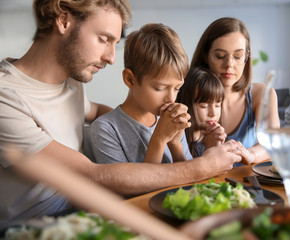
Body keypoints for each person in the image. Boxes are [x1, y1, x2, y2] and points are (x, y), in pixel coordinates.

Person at [0, 1, 242, 231]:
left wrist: (135, 121)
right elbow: (91, 174)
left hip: (80, 213)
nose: (111, 57)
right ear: (63, 20)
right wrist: (201, 167)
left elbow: (94, 111)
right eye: (103, 39)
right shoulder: (6, 98)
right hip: (34, 226)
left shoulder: (71, 82)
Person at [85, 23, 192, 164]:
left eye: (177, 88)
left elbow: (190, 179)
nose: (171, 99)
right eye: (159, 88)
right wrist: (159, 140)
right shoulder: (105, 130)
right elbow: (131, 185)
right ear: (130, 79)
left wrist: (175, 144)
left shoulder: (171, 120)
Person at [191, 17, 280, 166]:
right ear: (206, 55)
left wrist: (249, 154)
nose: (229, 65)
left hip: (246, 186)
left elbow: (273, 143)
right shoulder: (188, 94)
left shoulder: (262, 94)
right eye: (220, 56)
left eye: (238, 56)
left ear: (246, 57)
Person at [177, 67, 227, 157]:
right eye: (204, 106)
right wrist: (210, 150)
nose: (213, 113)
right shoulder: (178, 141)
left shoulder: (214, 137)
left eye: (217, 105)